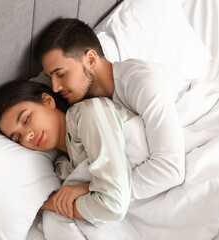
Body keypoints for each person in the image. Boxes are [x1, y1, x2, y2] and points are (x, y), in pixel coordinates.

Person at [34, 18, 185, 200]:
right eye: (50, 78)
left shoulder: (141, 83)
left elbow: (170, 169)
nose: (55, 87)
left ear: (90, 59)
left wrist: (93, 190)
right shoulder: (85, 110)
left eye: (61, 74)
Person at [0, 80, 136, 226]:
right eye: (18, 138)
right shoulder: (61, 171)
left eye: (26, 119)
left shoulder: (90, 113)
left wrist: (50, 202)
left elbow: (112, 206)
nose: (27, 136)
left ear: (47, 100)